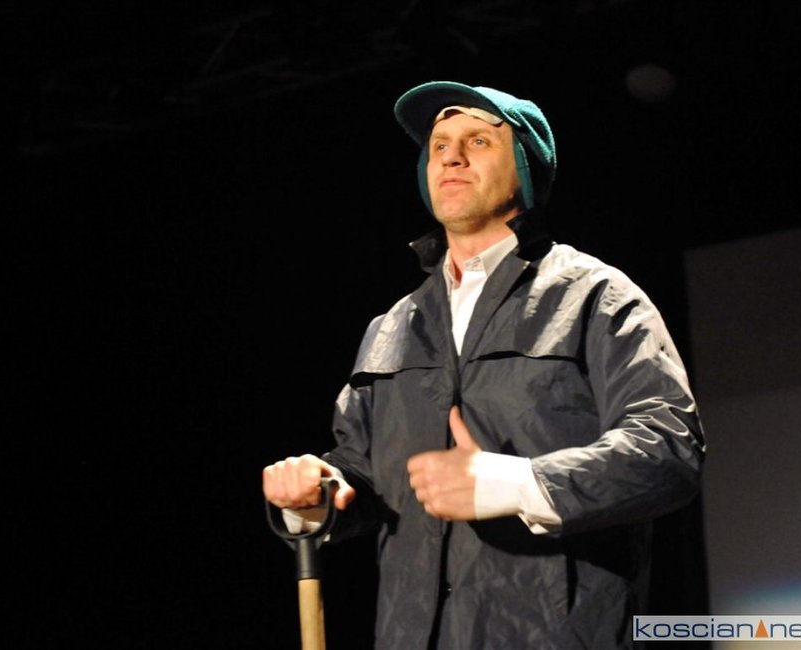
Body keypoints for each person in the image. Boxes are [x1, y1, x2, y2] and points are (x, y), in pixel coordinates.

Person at [263, 80, 706, 649]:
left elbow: (668, 448)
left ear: (525, 167)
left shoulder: (595, 296)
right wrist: (320, 491)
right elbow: (363, 474)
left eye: (477, 140)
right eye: (439, 145)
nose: (451, 156)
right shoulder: (393, 325)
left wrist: (523, 484)